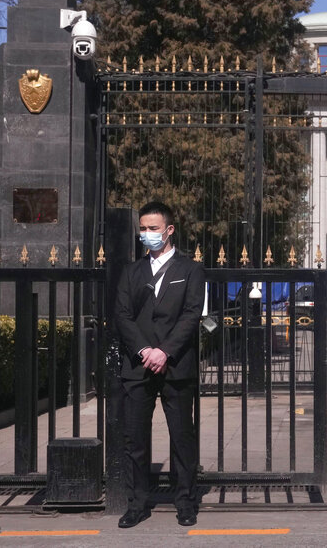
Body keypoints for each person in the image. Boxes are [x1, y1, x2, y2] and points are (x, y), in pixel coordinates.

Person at [115, 201, 205, 528]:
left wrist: (164, 351)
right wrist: (143, 350)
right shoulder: (132, 271)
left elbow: (192, 314)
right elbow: (123, 316)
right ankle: (137, 503)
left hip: (176, 365)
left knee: (182, 438)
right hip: (137, 366)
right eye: (143, 228)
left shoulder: (191, 270)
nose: (147, 234)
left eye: (153, 228)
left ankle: (185, 501)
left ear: (169, 230)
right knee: (135, 440)